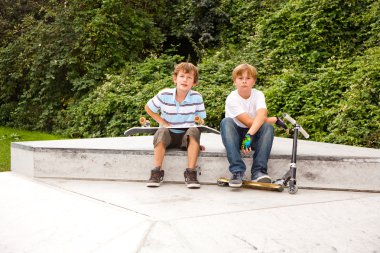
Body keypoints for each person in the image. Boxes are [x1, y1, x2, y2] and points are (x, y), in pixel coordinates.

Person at [144, 62, 206, 189]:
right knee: (161, 132)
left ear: (194, 83)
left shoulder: (197, 97)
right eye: (182, 76)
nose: (185, 80)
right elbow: (148, 108)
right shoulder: (164, 94)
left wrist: (196, 138)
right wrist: (162, 122)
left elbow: (201, 120)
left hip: (186, 136)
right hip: (169, 135)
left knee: (194, 131)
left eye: (189, 78)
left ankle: (190, 173)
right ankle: (156, 172)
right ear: (175, 79)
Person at [220, 63, 275, 188]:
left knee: (268, 127)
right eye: (240, 78)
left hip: (252, 136)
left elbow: (261, 115)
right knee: (226, 122)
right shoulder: (232, 98)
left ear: (253, 81)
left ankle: (259, 172)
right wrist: (272, 119)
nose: (244, 81)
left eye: (248, 78)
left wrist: (249, 136)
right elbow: (249, 122)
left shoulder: (258, 94)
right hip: (235, 138)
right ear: (235, 81)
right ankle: (237, 171)